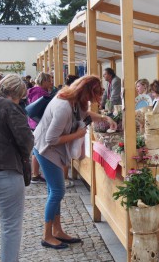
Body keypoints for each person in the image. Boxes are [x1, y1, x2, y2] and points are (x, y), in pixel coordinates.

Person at [33, 75, 117, 249]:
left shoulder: (73, 101)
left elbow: (85, 114)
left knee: (54, 192)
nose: (93, 100)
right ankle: (47, 236)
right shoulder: (64, 106)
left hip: (51, 150)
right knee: (57, 192)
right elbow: (51, 139)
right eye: (93, 95)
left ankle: (57, 231)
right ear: (85, 92)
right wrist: (77, 135)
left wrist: (104, 118)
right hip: (46, 150)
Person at [0, 74, 34, 262]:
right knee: (10, 226)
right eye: (20, 97)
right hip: (5, 172)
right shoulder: (9, 107)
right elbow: (26, 140)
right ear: (15, 93)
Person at [28, 72, 53, 184]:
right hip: (39, 124)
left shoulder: (33, 90)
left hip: (33, 123)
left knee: (36, 148)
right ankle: (35, 174)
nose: (51, 82)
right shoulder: (40, 93)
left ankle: (35, 174)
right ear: (44, 81)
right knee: (38, 149)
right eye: (49, 80)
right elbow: (41, 110)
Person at [63, 74, 79, 188]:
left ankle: (64, 177)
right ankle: (63, 178)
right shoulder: (68, 95)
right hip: (65, 130)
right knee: (65, 154)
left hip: (66, 128)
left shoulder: (65, 92)